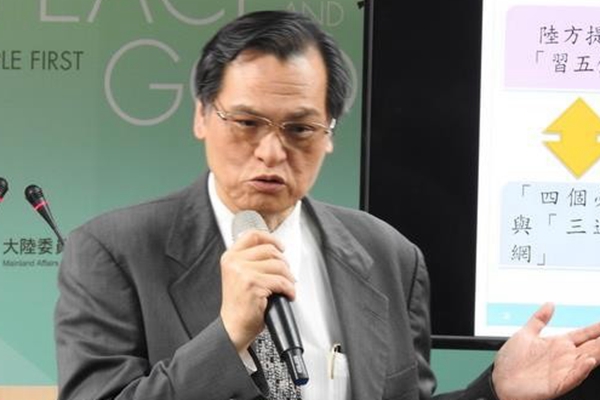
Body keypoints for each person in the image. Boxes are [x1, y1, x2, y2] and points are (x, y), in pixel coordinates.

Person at [54, 10, 600, 400]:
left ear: (330, 133)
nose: (271, 151)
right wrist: (229, 335)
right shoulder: (113, 251)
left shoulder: (389, 256)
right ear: (202, 115)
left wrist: (496, 390)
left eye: (299, 128)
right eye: (246, 122)